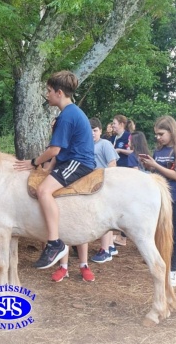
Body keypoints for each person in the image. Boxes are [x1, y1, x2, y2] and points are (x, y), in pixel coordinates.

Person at [14, 70, 96, 282]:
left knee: (43, 190)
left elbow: (55, 151)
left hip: (79, 163)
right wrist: (47, 169)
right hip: (71, 159)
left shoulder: (67, 115)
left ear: (59, 93)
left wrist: (33, 162)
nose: (47, 95)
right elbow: (60, 153)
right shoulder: (70, 113)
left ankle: (54, 243)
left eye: (49, 91)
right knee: (44, 183)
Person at [141, 116, 176, 287]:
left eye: (161, 134)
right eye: (156, 135)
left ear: (171, 131)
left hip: (175, 198)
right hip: (158, 198)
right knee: (158, 233)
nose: (158, 138)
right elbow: (156, 173)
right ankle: (162, 263)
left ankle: (173, 269)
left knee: (173, 234)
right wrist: (148, 165)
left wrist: (156, 165)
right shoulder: (159, 151)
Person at [89, 117, 120, 263]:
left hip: (104, 186)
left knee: (105, 219)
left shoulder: (105, 144)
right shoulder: (87, 145)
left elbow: (112, 164)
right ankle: (111, 246)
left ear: (100, 131)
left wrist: (107, 183)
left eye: (95, 130)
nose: (92, 133)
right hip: (92, 185)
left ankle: (105, 250)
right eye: (89, 131)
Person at [111, 114, 133, 246]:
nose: (113, 125)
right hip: (115, 172)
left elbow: (133, 151)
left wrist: (119, 150)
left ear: (121, 124)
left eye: (114, 123)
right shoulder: (113, 137)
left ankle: (124, 236)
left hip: (126, 171)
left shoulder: (128, 136)